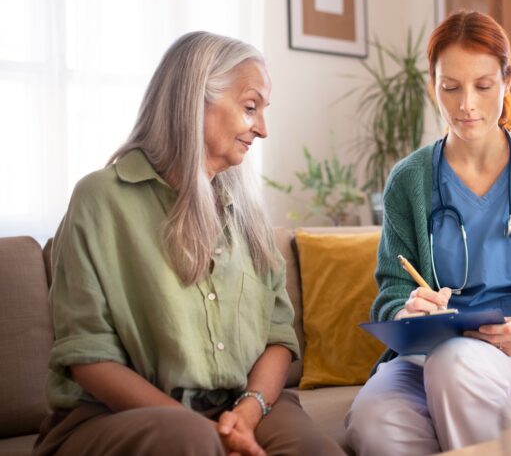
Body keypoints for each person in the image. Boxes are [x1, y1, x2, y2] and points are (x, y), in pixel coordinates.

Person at [33, 31, 344, 456]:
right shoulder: (100, 200)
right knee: (191, 440)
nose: (263, 129)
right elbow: (87, 356)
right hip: (114, 417)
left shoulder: (247, 211)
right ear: (194, 100)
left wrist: (247, 415)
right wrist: (206, 431)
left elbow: (278, 337)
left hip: (239, 406)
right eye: (251, 107)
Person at [345, 11, 511, 455]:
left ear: (506, 81)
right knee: (374, 421)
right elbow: (391, 291)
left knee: (455, 364)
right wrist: (409, 310)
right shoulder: (409, 181)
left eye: (483, 86)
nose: (466, 104)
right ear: (433, 85)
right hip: (428, 353)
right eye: (451, 87)